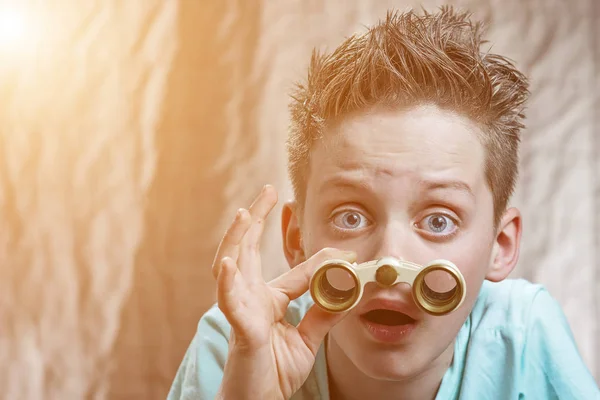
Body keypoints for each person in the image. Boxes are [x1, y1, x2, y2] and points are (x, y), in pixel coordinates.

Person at [167, 6, 600, 400]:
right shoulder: (239, 342)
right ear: (297, 239)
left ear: (500, 245)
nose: (390, 261)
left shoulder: (523, 337)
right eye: (350, 217)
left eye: (439, 221)